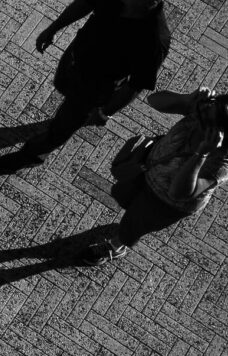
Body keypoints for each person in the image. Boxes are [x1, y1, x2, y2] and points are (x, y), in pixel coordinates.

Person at [0, 0, 177, 171]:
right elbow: (86, 2)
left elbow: (136, 85)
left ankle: (33, 155)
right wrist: (54, 27)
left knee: (63, 126)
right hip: (75, 57)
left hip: (96, 87)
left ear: (149, 1)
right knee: (62, 86)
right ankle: (66, 118)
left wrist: (105, 111)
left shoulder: (154, 40)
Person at [81, 86, 228, 265]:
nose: (200, 114)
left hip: (165, 202)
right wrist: (188, 99)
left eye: (206, 118)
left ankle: (117, 246)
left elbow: (178, 192)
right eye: (208, 107)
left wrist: (201, 154)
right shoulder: (203, 112)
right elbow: (154, 100)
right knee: (123, 195)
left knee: (133, 227)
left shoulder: (221, 163)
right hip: (147, 169)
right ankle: (131, 218)